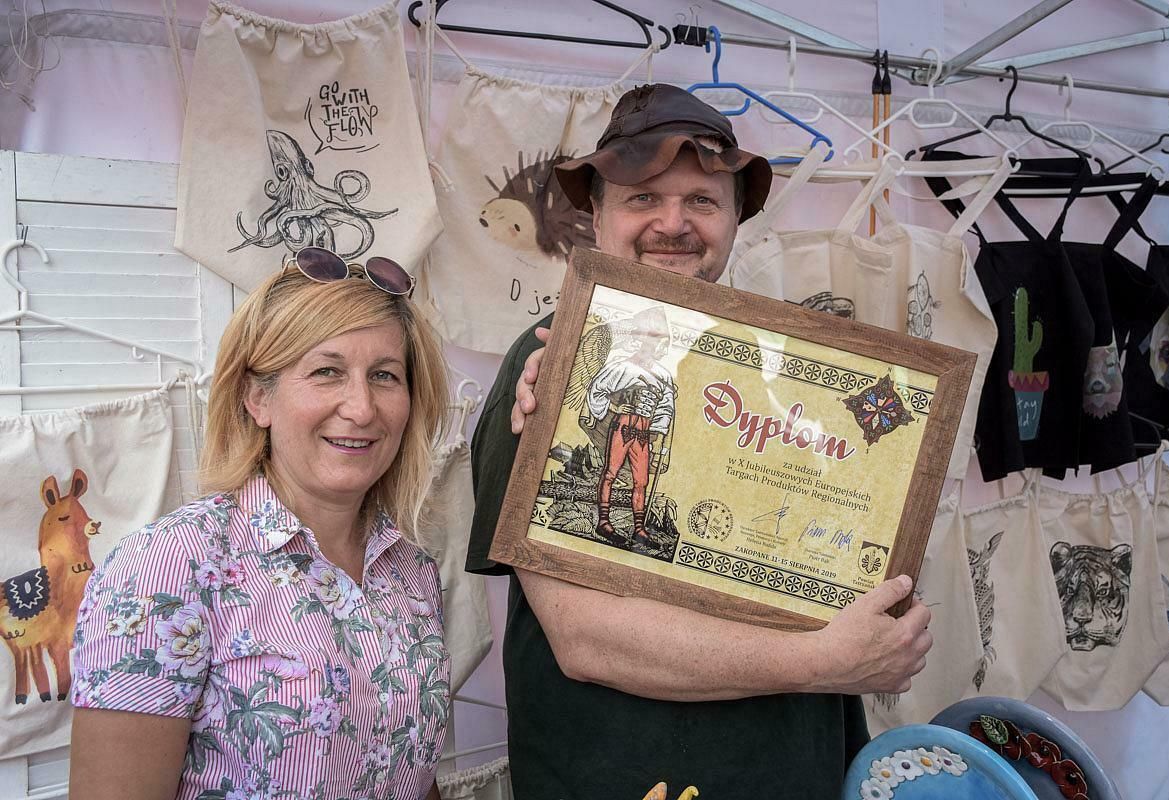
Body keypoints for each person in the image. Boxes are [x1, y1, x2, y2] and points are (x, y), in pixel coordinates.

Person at [467, 84, 933, 798]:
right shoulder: (548, 364)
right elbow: (586, 638)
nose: (672, 223)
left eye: (702, 201)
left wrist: (883, 603)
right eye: (643, 198)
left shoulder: (791, 367)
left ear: (735, 218)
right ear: (598, 215)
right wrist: (827, 660)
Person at [69, 248, 450, 800]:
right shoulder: (167, 568)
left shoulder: (410, 571)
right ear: (257, 397)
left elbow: (409, 772)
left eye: (384, 376)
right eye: (327, 372)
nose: (362, 408)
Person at [584, 306, 677, 546]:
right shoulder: (620, 367)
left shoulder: (665, 376)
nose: (663, 347)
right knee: (610, 473)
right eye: (659, 340)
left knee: (641, 481)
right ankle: (604, 522)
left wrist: (657, 432)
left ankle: (639, 530)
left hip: (644, 433)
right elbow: (596, 390)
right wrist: (614, 409)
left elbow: (666, 408)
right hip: (622, 427)